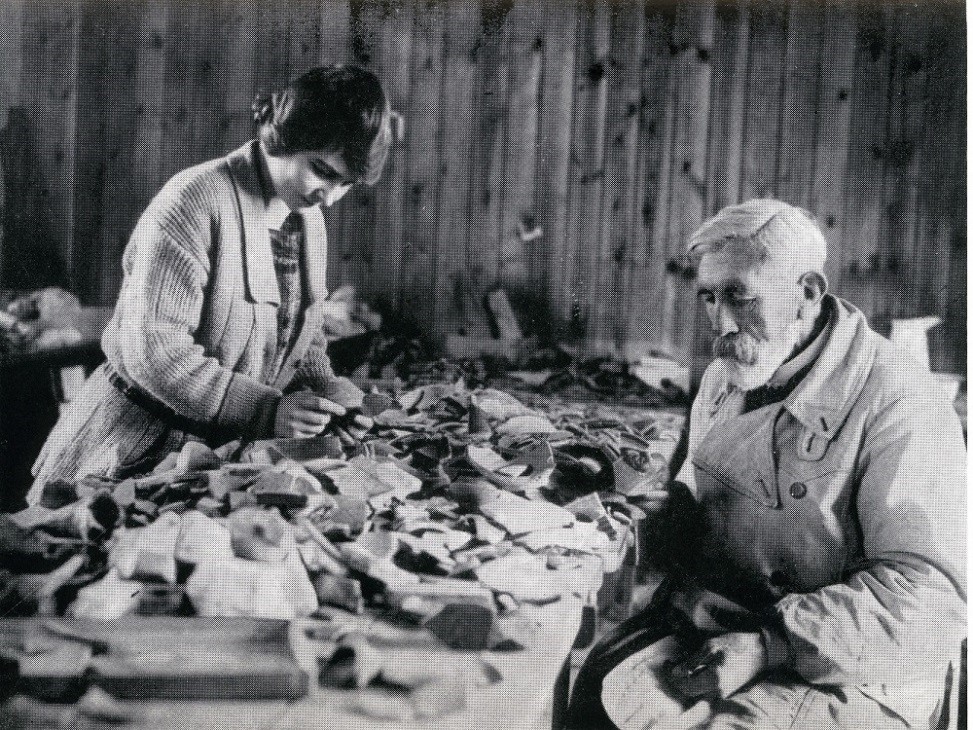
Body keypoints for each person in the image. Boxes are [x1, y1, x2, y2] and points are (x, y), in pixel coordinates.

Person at [566, 199, 966, 729]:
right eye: (709, 296)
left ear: (806, 293)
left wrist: (769, 646)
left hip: (856, 662)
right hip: (731, 619)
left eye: (740, 296)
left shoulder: (901, 401)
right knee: (588, 687)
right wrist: (636, 518)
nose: (722, 322)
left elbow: (933, 599)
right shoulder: (725, 375)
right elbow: (701, 501)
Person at [27, 65, 392, 504]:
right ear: (286, 136)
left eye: (346, 184)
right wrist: (268, 411)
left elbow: (302, 332)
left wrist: (325, 395)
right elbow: (155, 350)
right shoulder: (196, 200)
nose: (329, 197)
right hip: (128, 449)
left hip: (212, 458)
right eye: (321, 171)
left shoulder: (307, 221)